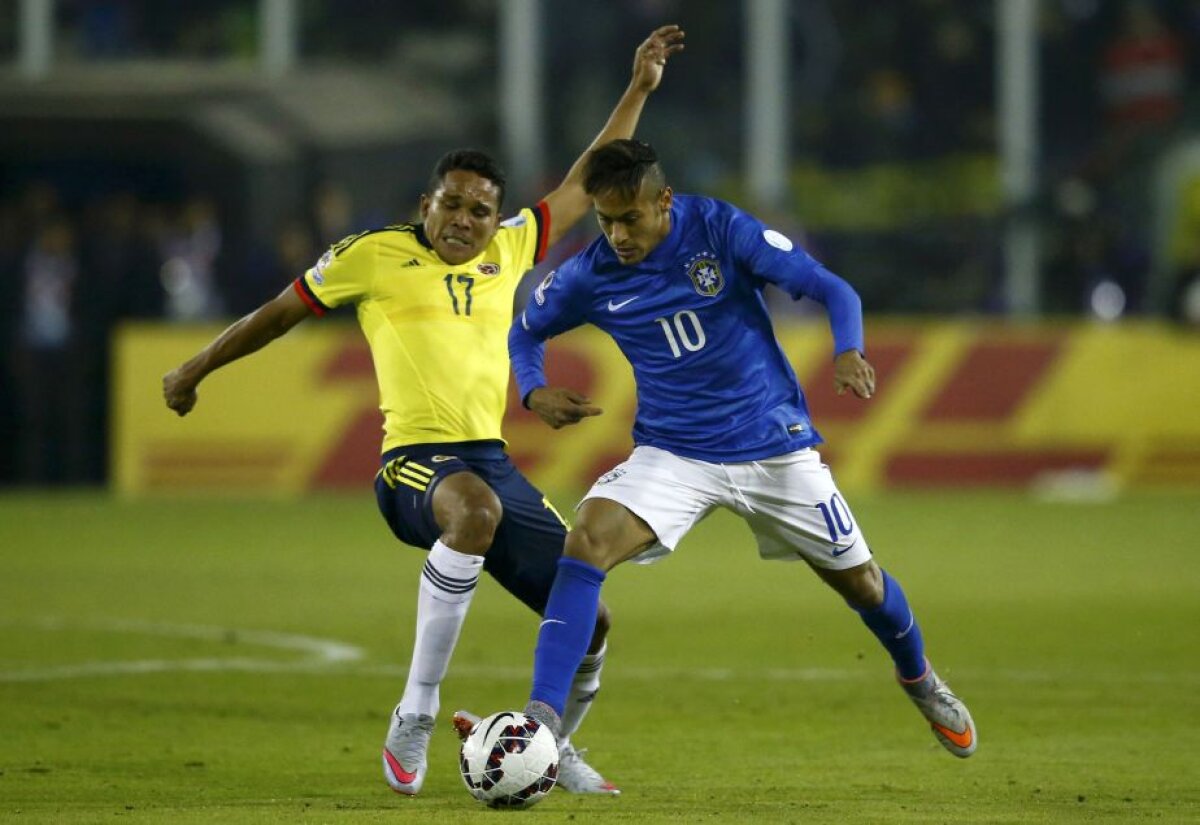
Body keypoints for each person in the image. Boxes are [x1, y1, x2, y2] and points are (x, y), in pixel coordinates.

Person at [161, 27, 685, 797]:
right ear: (426, 205)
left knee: (592, 618)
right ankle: (416, 708)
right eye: (453, 205)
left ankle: (549, 747)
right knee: (470, 515)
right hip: (414, 462)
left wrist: (638, 88)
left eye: (480, 209)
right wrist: (195, 366)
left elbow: (585, 179)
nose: (465, 221)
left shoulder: (512, 248)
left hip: (493, 461)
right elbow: (278, 313)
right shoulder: (371, 254)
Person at [507, 138, 977, 762]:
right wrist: (534, 390)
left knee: (863, 584)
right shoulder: (591, 274)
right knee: (586, 539)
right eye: (605, 219)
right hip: (674, 454)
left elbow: (833, 289)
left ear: (663, 201)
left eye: (630, 218)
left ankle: (918, 677)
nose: (617, 234)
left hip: (771, 446)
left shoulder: (720, 229)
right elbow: (526, 329)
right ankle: (541, 718)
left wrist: (848, 349)